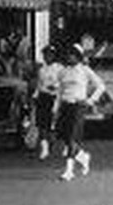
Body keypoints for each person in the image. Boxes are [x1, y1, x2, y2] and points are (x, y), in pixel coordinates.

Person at [54, 43, 106, 181]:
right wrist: (55, 108)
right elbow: (59, 91)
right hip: (65, 105)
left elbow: (100, 86)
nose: (70, 57)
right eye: (68, 54)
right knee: (64, 138)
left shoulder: (85, 70)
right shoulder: (63, 72)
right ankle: (83, 157)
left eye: (73, 54)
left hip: (78, 106)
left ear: (78, 56)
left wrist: (90, 101)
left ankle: (69, 171)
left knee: (72, 137)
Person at [34, 44, 62, 160]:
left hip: (54, 98)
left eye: (49, 55)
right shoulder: (41, 70)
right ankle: (44, 149)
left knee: (52, 125)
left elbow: (63, 83)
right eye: (45, 55)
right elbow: (39, 84)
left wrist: (55, 86)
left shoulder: (59, 68)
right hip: (43, 97)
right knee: (41, 124)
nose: (47, 57)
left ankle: (52, 144)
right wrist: (35, 95)